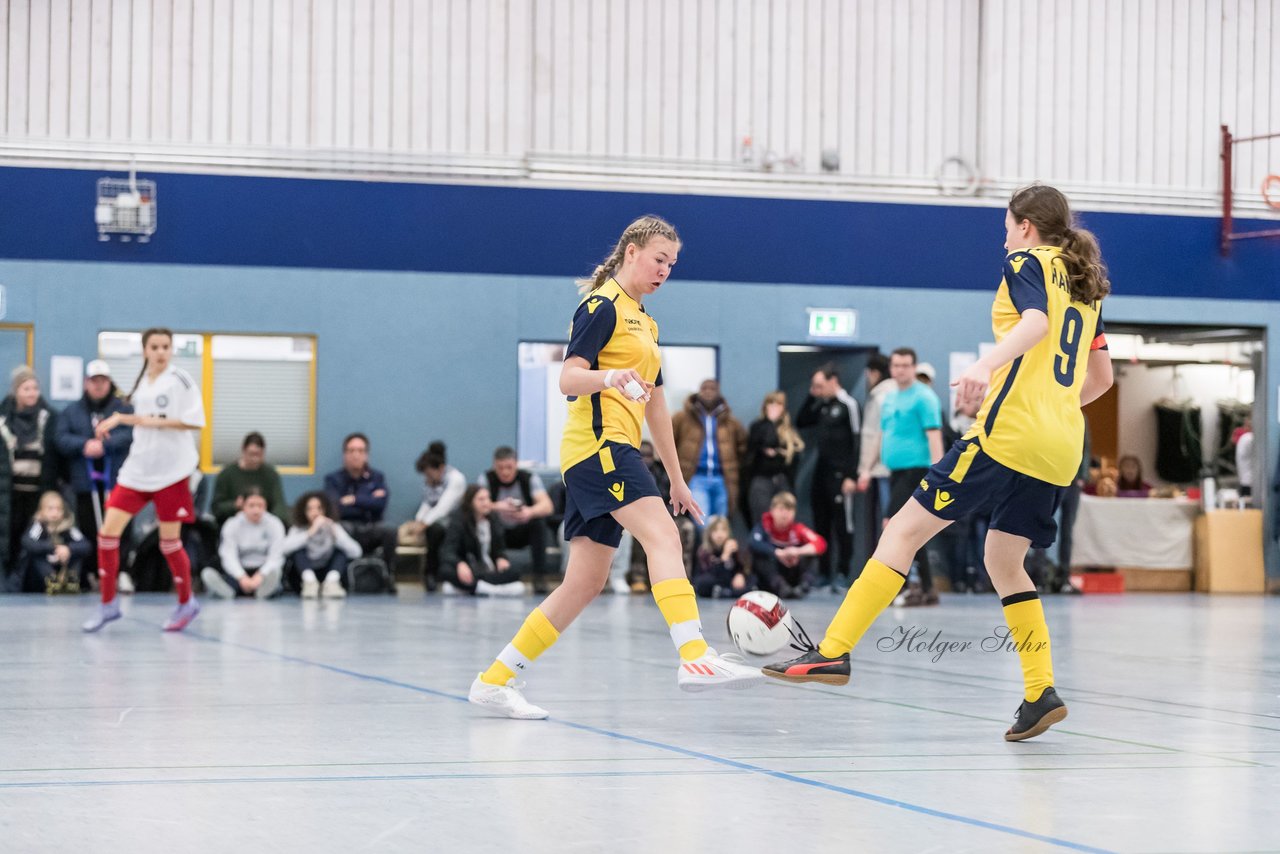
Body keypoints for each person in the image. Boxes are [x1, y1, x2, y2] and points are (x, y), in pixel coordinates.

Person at [765, 184, 1114, 742]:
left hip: (1008, 435)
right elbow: (1102, 380)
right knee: (1005, 561)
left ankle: (832, 651)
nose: (1004, 235)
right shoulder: (1084, 284)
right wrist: (1051, 406)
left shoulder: (1028, 261)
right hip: (1061, 447)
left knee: (900, 532)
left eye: (1006, 224)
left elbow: (1035, 324)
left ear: (1025, 225)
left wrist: (985, 365)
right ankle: (1039, 690)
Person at [468, 215, 761, 720]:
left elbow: (656, 406)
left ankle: (495, 680)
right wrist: (610, 377)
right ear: (631, 252)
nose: (665, 270)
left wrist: (674, 476)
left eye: (672, 263)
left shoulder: (646, 322)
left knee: (583, 583)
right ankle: (694, 656)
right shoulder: (601, 306)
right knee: (664, 539)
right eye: (658, 259)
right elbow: (568, 379)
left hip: (609, 452)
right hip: (599, 447)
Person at [82, 328, 206, 633]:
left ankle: (186, 602)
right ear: (145, 350)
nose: (161, 352)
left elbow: (193, 421)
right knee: (107, 534)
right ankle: (108, 604)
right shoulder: (143, 382)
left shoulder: (181, 381)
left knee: (169, 543)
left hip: (172, 472)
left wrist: (127, 419)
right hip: (139, 469)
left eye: (166, 346)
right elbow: (138, 417)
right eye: (155, 346)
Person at [867, 347, 944, 606]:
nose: (900, 370)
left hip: (918, 471)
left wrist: (939, 474)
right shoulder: (888, 398)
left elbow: (935, 437)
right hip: (895, 472)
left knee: (894, 526)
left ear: (914, 367)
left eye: (905, 365)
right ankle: (926, 586)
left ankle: (898, 586)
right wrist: (867, 468)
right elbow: (882, 435)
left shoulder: (924, 398)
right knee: (910, 530)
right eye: (896, 365)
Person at [53, 359, 133, 588]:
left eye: (103, 381)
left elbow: (131, 433)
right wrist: (84, 445)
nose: (98, 385)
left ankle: (121, 571)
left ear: (109, 382)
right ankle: (93, 572)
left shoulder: (123, 409)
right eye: (94, 381)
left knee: (121, 526)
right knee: (88, 527)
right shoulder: (72, 411)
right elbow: (60, 438)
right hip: (85, 480)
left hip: (118, 478)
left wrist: (105, 446)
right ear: (86, 383)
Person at [796, 364, 860, 587]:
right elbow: (801, 420)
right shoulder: (822, 405)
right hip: (821, 473)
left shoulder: (848, 405)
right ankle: (823, 572)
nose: (818, 390)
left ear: (834, 381)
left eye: (820, 385)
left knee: (843, 525)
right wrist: (812, 394)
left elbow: (857, 440)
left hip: (841, 475)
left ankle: (842, 573)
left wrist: (852, 475)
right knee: (821, 523)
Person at [0, 367, 59, 569]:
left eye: (35, 388)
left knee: (35, 536)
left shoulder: (49, 418)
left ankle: (33, 577)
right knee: (11, 534)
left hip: (39, 494)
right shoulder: (3, 420)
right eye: (26, 388)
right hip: (10, 493)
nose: (32, 393)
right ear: (16, 391)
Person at [671, 379, 747, 525]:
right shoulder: (682, 418)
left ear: (718, 393)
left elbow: (743, 447)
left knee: (721, 523)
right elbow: (667, 442)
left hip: (721, 478)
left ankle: (715, 548)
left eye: (712, 388)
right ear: (698, 391)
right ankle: (705, 548)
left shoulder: (731, 422)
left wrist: (733, 466)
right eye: (704, 388)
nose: (708, 391)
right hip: (696, 477)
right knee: (702, 521)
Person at [479, 446, 555, 593]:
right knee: (487, 520)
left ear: (516, 464)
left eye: (509, 467)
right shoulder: (486, 479)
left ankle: (539, 577)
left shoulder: (528, 478)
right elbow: (477, 506)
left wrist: (529, 511)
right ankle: (489, 574)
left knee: (538, 524)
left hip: (522, 531)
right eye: (500, 468)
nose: (505, 472)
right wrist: (497, 507)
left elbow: (548, 506)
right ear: (494, 466)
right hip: (497, 534)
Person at [439, 485, 526, 596]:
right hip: (470, 567)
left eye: (487, 498)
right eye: (481, 499)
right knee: (446, 570)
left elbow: (499, 548)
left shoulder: (493, 519)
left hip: (489, 569)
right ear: (470, 502)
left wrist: (501, 558)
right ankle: (489, 589)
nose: (486, 503)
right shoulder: (459, 519)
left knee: (516, 571)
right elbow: (448, 551)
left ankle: (475, 587)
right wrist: (459, 564)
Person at [324, 433, 397, 563]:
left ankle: (386, 574)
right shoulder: (333, 479)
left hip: (371, 526)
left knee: (390, 529)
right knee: (340, 529)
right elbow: (336, 509)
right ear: (344, 455)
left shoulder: (377, 477)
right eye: (351, 451)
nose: (356, 455)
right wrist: (369, 501)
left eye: (360, 451)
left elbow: (380, 505)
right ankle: (342, 575)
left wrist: (354, 500)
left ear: (366, 455)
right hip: (347, 526)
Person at [201, 487, 287, 599]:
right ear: (243, 506)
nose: (256, 510)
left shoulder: (275, 524)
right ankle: (230, 592)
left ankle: (265, 591)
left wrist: (260, 576)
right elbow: (228, 555)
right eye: (251, 505)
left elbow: (276, 556)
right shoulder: (232, 524)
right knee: (208, 572)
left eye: (260, 506)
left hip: (263, 571)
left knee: (276, 573)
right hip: (239, 571)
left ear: (265, 506)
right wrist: (241, 577)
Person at [407, 441, 466, 590]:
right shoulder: (430, 482)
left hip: (456, 523)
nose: (427, 478)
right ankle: (430, 574)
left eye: (429, 474)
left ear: (440, 468)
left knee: (438, 531)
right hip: (438, 523)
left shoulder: (455, 479)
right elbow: (427, 503)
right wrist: (418, 521)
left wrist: (422, 525)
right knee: (434, 531)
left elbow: (442, 508)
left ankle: (445, 573)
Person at [282, 490, 361, 599]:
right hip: (304, 575)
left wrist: (335, 535)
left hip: (327, 572)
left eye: (319, 508)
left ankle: (331, 584)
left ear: (325, 510)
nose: (315, 513)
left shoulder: (334, 527)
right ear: (303, 511)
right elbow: (283, 549)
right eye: (310, 509)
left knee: (341, 551)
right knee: (298, 551)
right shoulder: (298, 529)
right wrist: (310, 532)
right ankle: (310, 583)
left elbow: (357, 552)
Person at [748, 492, 827, 598]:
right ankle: (780, 585)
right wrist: (778, 553)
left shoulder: (798, 529)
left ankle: (804, 586)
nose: (784, 514)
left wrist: (797, 552)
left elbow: (820, 543)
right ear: (772, 510)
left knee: (811, 556)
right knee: (760, 557)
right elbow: (753, 543)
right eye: (781, 509)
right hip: (771, 579)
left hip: (792, 572)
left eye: (789, 510)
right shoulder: (764, 527)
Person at [744, 391, 805, 527]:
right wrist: (771, 423)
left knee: (785, 522)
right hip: (761, 480)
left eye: (778, 404)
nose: (774, 407)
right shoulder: (758, 427)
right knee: (762, 520)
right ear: (764, 406)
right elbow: (766, 443)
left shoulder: (790, 431)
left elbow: (792, 459)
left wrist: (775, 454)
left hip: (783, 481)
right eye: (770, 403)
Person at [17, 491, 90, 593]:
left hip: (63, 564)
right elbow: (27, 542)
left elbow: (85, 544)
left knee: (78, 554)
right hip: (42, 571)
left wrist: (68, 549)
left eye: (58, 509)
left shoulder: (68, 526)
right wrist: (53, 548)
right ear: (41, 511)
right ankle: (52, 581)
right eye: (50, 509)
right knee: (35, 556)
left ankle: (72, 581)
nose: (55, 513)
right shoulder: (38, 525)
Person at [211, 432, 288, 527]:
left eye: (259, 455)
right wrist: (235, 505)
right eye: (252, 454)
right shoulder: (226, 474)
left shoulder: (270, 474)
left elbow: (279, 504)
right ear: (243, 451)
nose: (255, 459)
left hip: (264, 525)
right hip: (233, 525)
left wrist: (271, 520)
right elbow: (216, 507)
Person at [857, 353, 893, 546]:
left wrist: (865, 469)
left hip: (883, 467)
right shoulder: (893, 393)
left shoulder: (881, 397)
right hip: (890, 467)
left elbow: (875, 434)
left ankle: (901, 570)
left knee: (890, 520)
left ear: (875, 373)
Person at [692, 515, 750, 598]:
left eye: (723, 530)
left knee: (752, 579)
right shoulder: (704, 551)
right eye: (715, 530)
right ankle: (729, 592)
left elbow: (740, 566)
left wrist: (739, 574)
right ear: (709, 533)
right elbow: (711, 572)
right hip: (713, 579)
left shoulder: (732, 547)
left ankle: (725, 592)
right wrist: (724, 556)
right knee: (704, 582)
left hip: (728, 580)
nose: (720, 534)